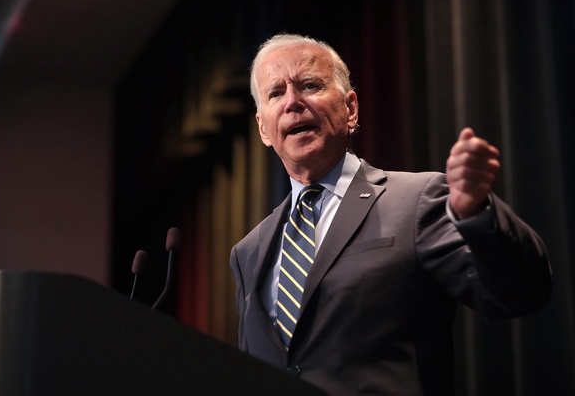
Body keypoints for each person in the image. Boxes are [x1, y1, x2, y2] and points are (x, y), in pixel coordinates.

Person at [229, 33, 552, 396]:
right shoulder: (248, 251)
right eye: (275, 93)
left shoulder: (416, 200)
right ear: (263, 128)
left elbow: (519, 292)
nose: (292, 102)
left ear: (350, 108)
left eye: (309, 85)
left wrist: (476, 215)